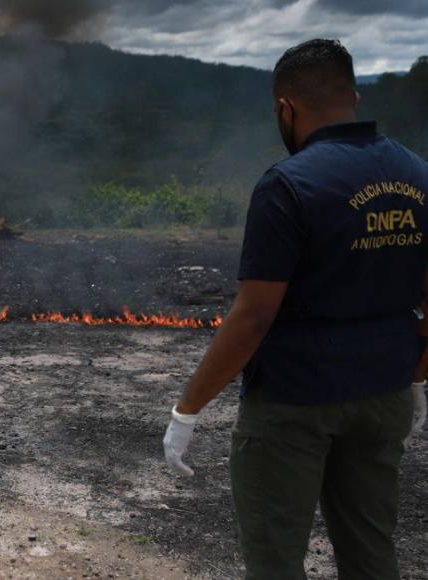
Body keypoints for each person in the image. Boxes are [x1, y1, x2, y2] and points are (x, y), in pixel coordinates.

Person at [162, 39, 428, 580]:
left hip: (295, 402)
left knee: (275, 559)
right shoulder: (419, 175)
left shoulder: (288, 185)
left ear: (286, 108)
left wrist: (186, 409)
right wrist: (416, 377)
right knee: (371, 550)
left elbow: (253, 317)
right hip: (384, 393)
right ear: (353, 95)